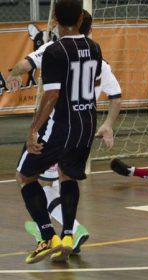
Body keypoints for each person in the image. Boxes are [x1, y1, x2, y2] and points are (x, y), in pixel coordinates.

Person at [8, 9, 121, 255]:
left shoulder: (53, 50)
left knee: (27, 178)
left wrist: (33, 130)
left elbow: (50, 93)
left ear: (56, 20)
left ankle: (49, 235)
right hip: (86, 125)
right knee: (65, 177)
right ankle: (68, 234)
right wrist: (108, 125)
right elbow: (115, 96)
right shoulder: (96, 50)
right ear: (83, 23)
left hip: (60, 126)